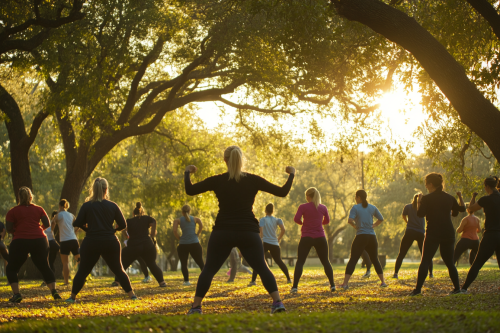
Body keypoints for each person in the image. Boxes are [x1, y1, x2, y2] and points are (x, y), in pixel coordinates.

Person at [184, 145, 295, 315]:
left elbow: (190, 190)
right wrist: (291, 174)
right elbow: (282, 192)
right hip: (248, 232)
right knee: (263, 267)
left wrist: (187, 173)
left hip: (223, 231)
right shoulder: (253, 180)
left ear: (225, 160)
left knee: (209, 269)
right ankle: (278, 302)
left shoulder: (218, 180)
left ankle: (196, 307)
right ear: (242, 160)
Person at [66, 178, 138, 303]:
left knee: (82, 270)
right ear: (106, 190)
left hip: (91, 242)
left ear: (93, 189)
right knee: (119, 270)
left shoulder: (87, 205)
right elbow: (123, 224)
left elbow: (77, 223)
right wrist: (113, 231)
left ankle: (72, 297)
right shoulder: (112, 205)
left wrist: (88, 229)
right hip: (110, 241)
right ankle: (132, 295)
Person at [409, 173, 465, 296]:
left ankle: (417, 290)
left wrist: (419, 201)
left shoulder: (427, 199)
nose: (425, 185)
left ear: (431, 184)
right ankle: (457, 289)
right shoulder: (449, 198)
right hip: (448, 232)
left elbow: (420, 214)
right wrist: (460, 198)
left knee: (425, 260)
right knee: (450, 262)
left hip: (433, 232)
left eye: (426, 183)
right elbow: (460, 211)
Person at [5, 187, 61, 303]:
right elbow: (47, 224)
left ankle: (17, 294)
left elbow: (9, 228)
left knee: (11, 268)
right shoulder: (39, 209)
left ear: (19, 197)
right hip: (39, 240)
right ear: (31, 197)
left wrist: (16, 231)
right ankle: (54, 291)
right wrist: (38, 229)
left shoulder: (13, 211)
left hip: (20, 240)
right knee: (44, 266)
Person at [339, 190, 387, 290]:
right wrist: (373, 225)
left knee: (353, 259)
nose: (355, 199)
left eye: (355, 197)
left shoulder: (355, 207)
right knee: (375, 259)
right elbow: (381, 218)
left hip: (361, 236)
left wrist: (355, 226)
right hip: (372, 237)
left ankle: (345, 284)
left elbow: (349, 220)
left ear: (359, 197)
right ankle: (383, 282)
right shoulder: (372, 207)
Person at [291, 188, 335, 293]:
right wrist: (319, 224)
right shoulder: (323, 207)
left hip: (306, 237)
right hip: (320, 237)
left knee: (300, 262)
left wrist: (303, 224)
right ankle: (332, 285)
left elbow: (296, 219)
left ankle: (294, 287)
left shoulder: (303, 207)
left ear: (308, 196)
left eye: (306, 196)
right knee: (325, 261)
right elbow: (327, 220)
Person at [461, 176, 500, 292]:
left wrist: (473, 196)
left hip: (491, 235)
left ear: (487, 186)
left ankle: (463, 288)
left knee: (477, 263)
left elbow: (470, 209)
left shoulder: (486, 199)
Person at [113, 202, 166, 288]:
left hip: (133, 246)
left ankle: (116, 281)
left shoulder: (129, 221)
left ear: (133, 213)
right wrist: (152, 233)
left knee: (123, 263)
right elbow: (154, 222)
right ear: (142, 212)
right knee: (152, 264)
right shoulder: (147, 218)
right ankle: (162, 282)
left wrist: (126, 236)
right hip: (147, 245)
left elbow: (120, 226)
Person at [248, 203, 291, 286]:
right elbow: (283, 229)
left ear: (265, 210)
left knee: (258, 261)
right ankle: (289, 279)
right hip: (275, 243)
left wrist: (260, 238)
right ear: (272, 211)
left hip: (265, 242)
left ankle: (253, 281)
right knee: (279, 261)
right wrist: (278, 239)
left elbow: (261, 232)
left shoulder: (263, 220)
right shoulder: (277, 220)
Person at [393, 195, 434, 279]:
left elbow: (403, 215)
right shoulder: (424, 208)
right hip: (420, 232)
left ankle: (395, 273)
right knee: (426, 254)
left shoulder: (408, 207)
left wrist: (407, 222)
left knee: (402, 253)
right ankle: (430, 274)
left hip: (410, 231)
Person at [174, 204, 204, 286]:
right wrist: (197, 234)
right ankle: (206, 279)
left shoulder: (177, 220)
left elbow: (174, 231)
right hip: (195, 243)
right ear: (189, 211)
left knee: (184, 263)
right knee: (200, 262)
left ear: (182, 212)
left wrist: (179, 238)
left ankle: (186, 281)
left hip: (183, 245)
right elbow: (201, 225)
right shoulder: (195, 219)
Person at [52, 199, 80, 285]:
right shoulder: (71, 215)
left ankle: (66, 282)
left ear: (60, 206)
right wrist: (74, 231)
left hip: (64, 241)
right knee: (79, 260)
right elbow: (78, 224)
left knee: (65, 263)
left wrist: (52, 232)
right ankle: (82, 278)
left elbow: (53, 222)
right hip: (73, 240)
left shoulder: (58, 215)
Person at [453, 202, 481, 266]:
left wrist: (463, 229)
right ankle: (473, 266)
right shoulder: (477, 219)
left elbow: (459, 230)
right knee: (475, 254)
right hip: (475, 240)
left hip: (466, 239)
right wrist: (473, 231)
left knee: (456, 253)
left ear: (467, 210)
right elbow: (479, 230)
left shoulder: (466, 219)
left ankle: (452, 265)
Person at [40, 211, 61, 287]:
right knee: (50, 262)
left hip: (49, 244)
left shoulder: (51, 223)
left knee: (48, 263)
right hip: (53, 244)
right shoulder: (44, 226)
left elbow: (53, 223)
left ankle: (47, 281)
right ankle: (51, 280)